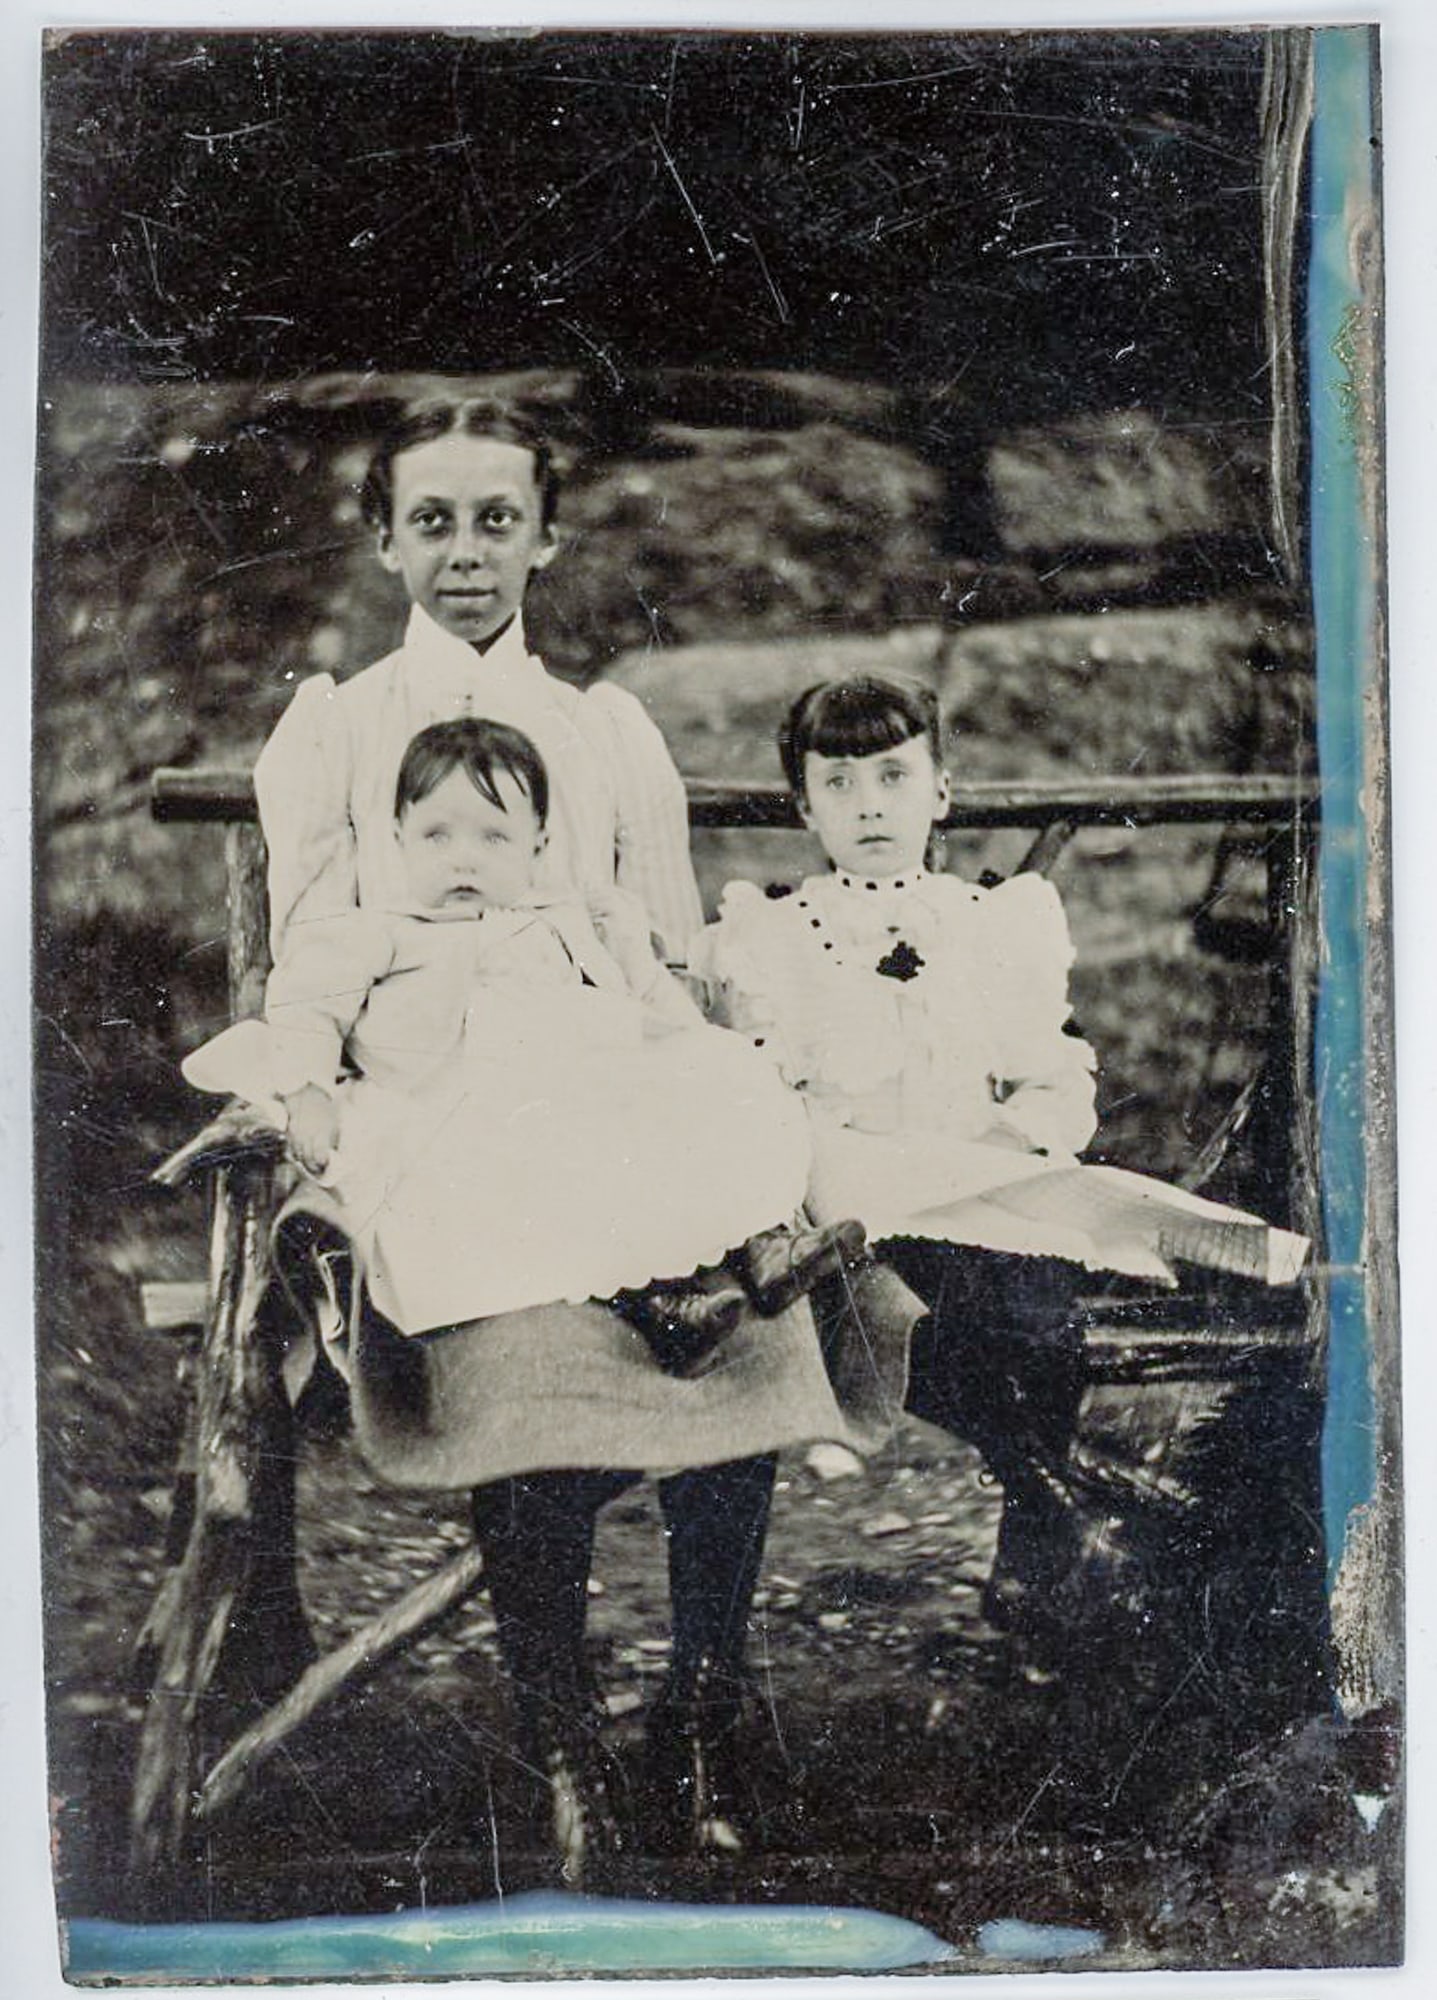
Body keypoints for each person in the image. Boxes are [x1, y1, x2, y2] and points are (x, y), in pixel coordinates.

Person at [240, 402, 910, 1875]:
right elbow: (314, 967)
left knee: (744, 1340)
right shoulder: (341, 728)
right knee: (530, 1361)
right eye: (432, 521)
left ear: (544, 535)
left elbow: (653, 955)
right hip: (441, 1136)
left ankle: (705, 1702)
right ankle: (566, 1745)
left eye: (496, 519)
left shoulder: (604, 732)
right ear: (384, 539)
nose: (465, 553)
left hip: (607, 1109)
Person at [692, 674, 1309, 1636]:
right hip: (845, 1213)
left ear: (940, 790)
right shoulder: (768, 933)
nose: (870, 808)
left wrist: (1013, 1133)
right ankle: (1060, 1500)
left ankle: (1036, 1552)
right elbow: (761, 1090)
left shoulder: (994, 920)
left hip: (980, 1190)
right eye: (841, 785)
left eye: (894, 778)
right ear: (804, 805)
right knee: (913, 1311)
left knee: (1036, 1316)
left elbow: (1052, 1075)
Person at [185, 716, 860, 1347]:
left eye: (493, 838)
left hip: (587, 1084)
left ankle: (764, 1243)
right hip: (463, 1104)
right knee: (550, 1181)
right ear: (397, 837)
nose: (463, 862)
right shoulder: (379, 932)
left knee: (720, 1079)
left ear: (538, 844)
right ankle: (658, 1303)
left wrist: (696, 1048)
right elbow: (306, 1005)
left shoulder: (568, 918)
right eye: (436, 837)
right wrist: (309, 1091)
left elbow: (642, 998)